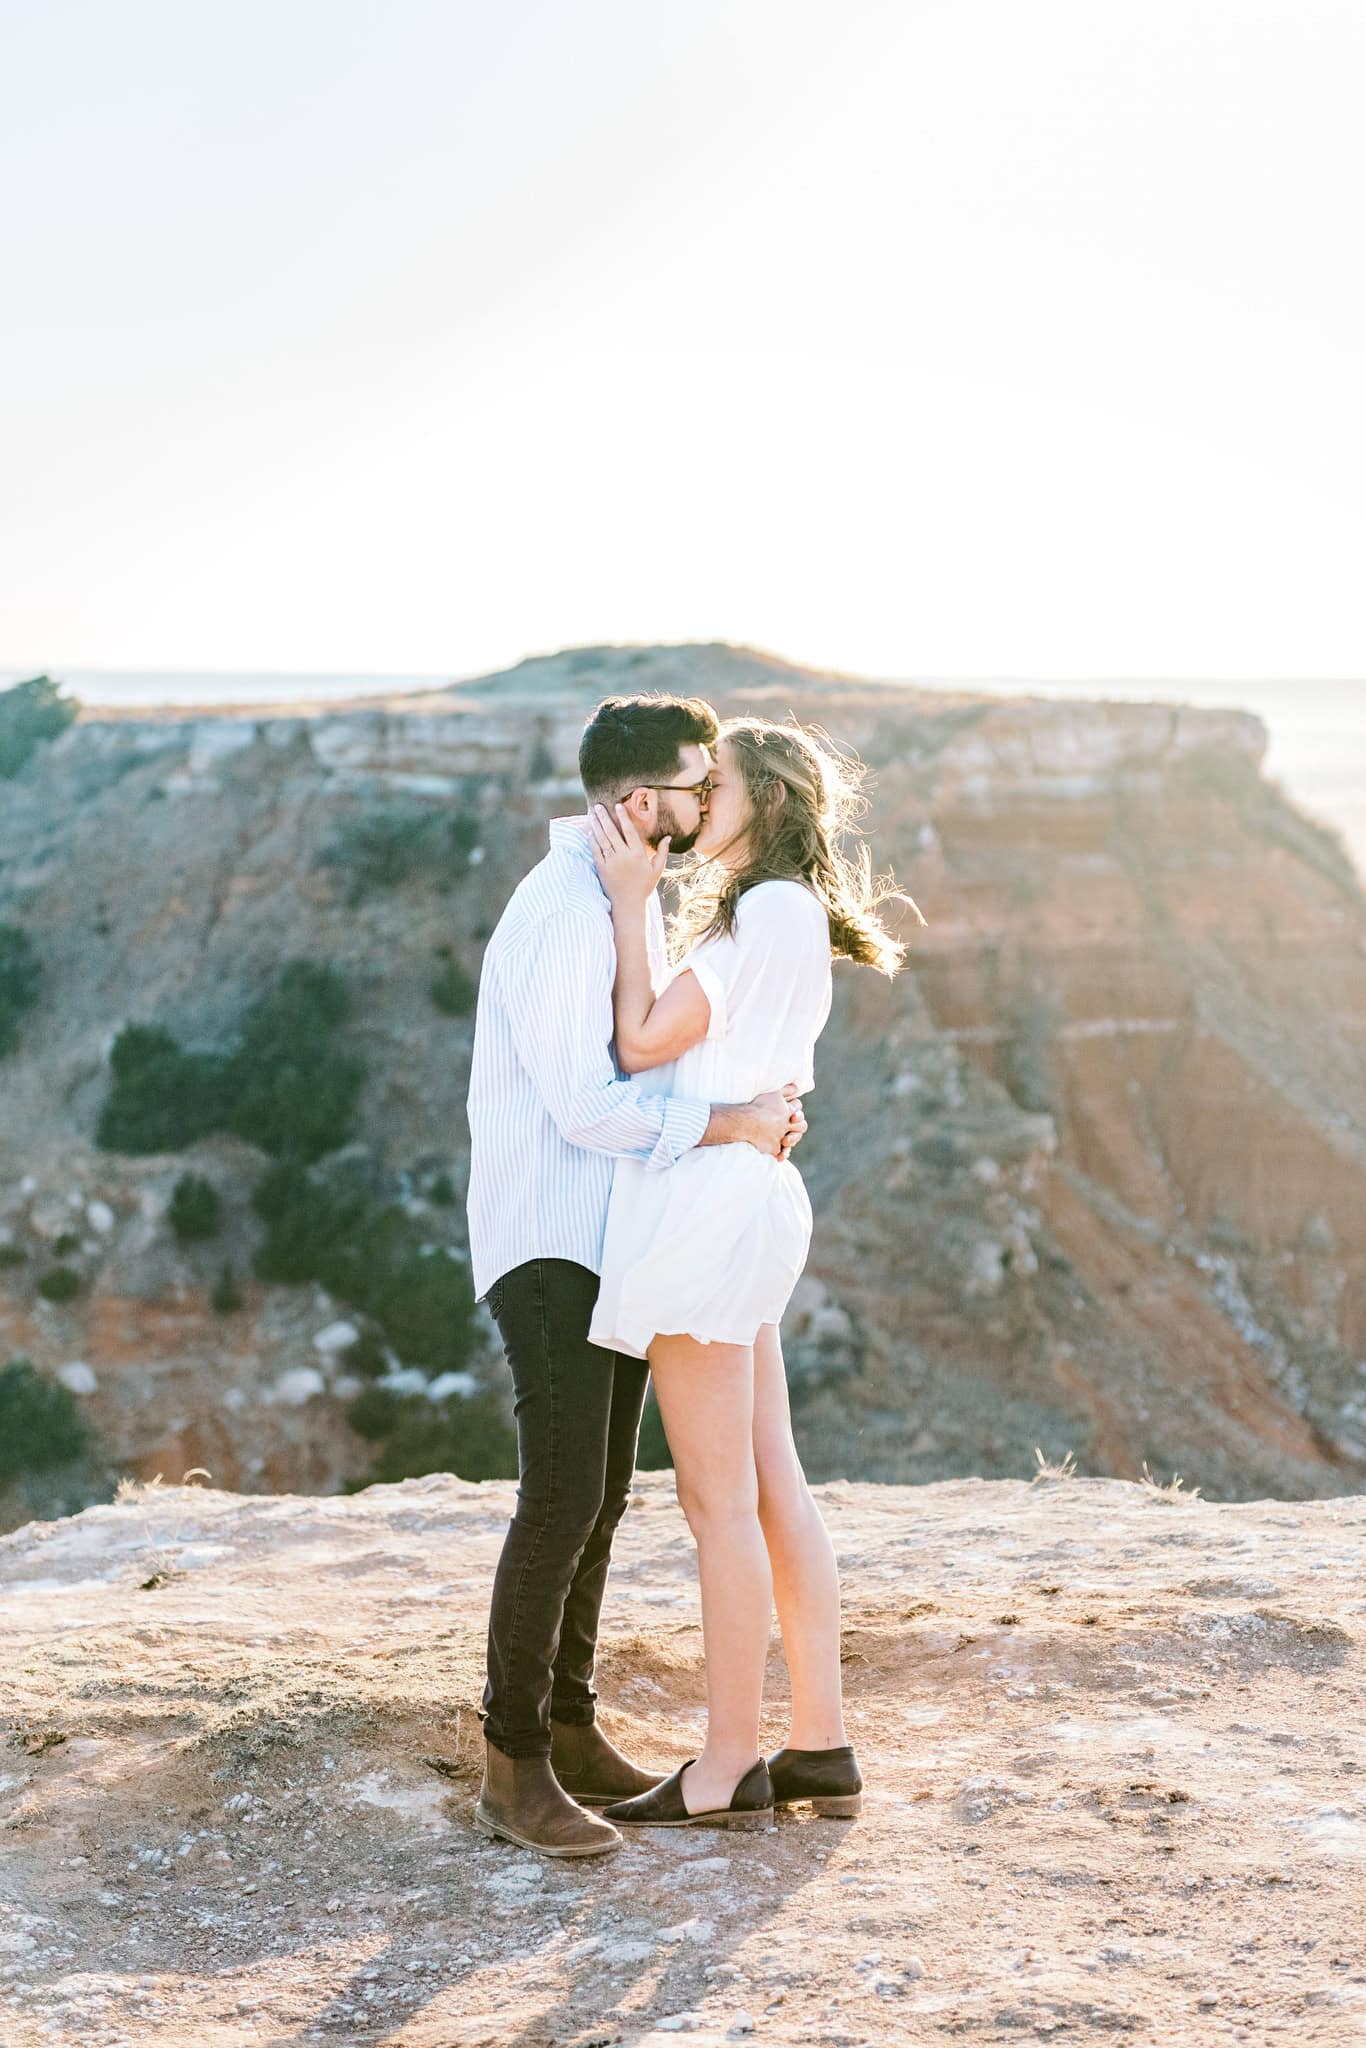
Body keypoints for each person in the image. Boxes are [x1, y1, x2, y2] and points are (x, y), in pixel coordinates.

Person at [465, 693, 807, 1859]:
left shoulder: (622, 902)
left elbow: (644, 1054)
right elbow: (588, 1103)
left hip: (608, 1239)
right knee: (560, 1496)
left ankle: (566, 1731)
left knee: (601, 1496)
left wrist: (748, 1111)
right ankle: (511, 1768)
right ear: (633, 798)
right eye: (692, 783)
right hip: (551, 1237)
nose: (707, 799)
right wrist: (730, 1122)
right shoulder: (564, 913)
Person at [583, 717, 919, 1831]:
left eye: (712, 784)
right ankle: (818, 1741)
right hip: (742, 1199)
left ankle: (727, 1762)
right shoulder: (786, 913)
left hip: (712, 1208)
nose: (693, 801)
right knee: (770, 1485)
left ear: (764, 799)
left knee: (714, 1499)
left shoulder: (766, 912)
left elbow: (638, 1043)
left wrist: (632, 902)